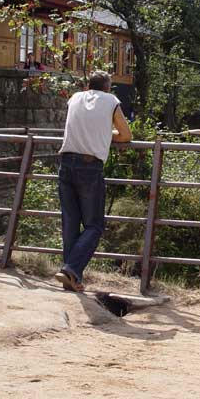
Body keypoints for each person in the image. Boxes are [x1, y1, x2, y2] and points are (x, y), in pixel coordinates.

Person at [55, 70, 132, 292]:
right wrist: (107, 134)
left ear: (88, 86)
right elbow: (126, 135)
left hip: (66, 163)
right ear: (107, 87)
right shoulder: (111, 101)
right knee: (94, 225)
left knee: (70, 223)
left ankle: (71, 277)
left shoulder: (75, 97)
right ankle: (71, 269)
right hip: (89, 167)